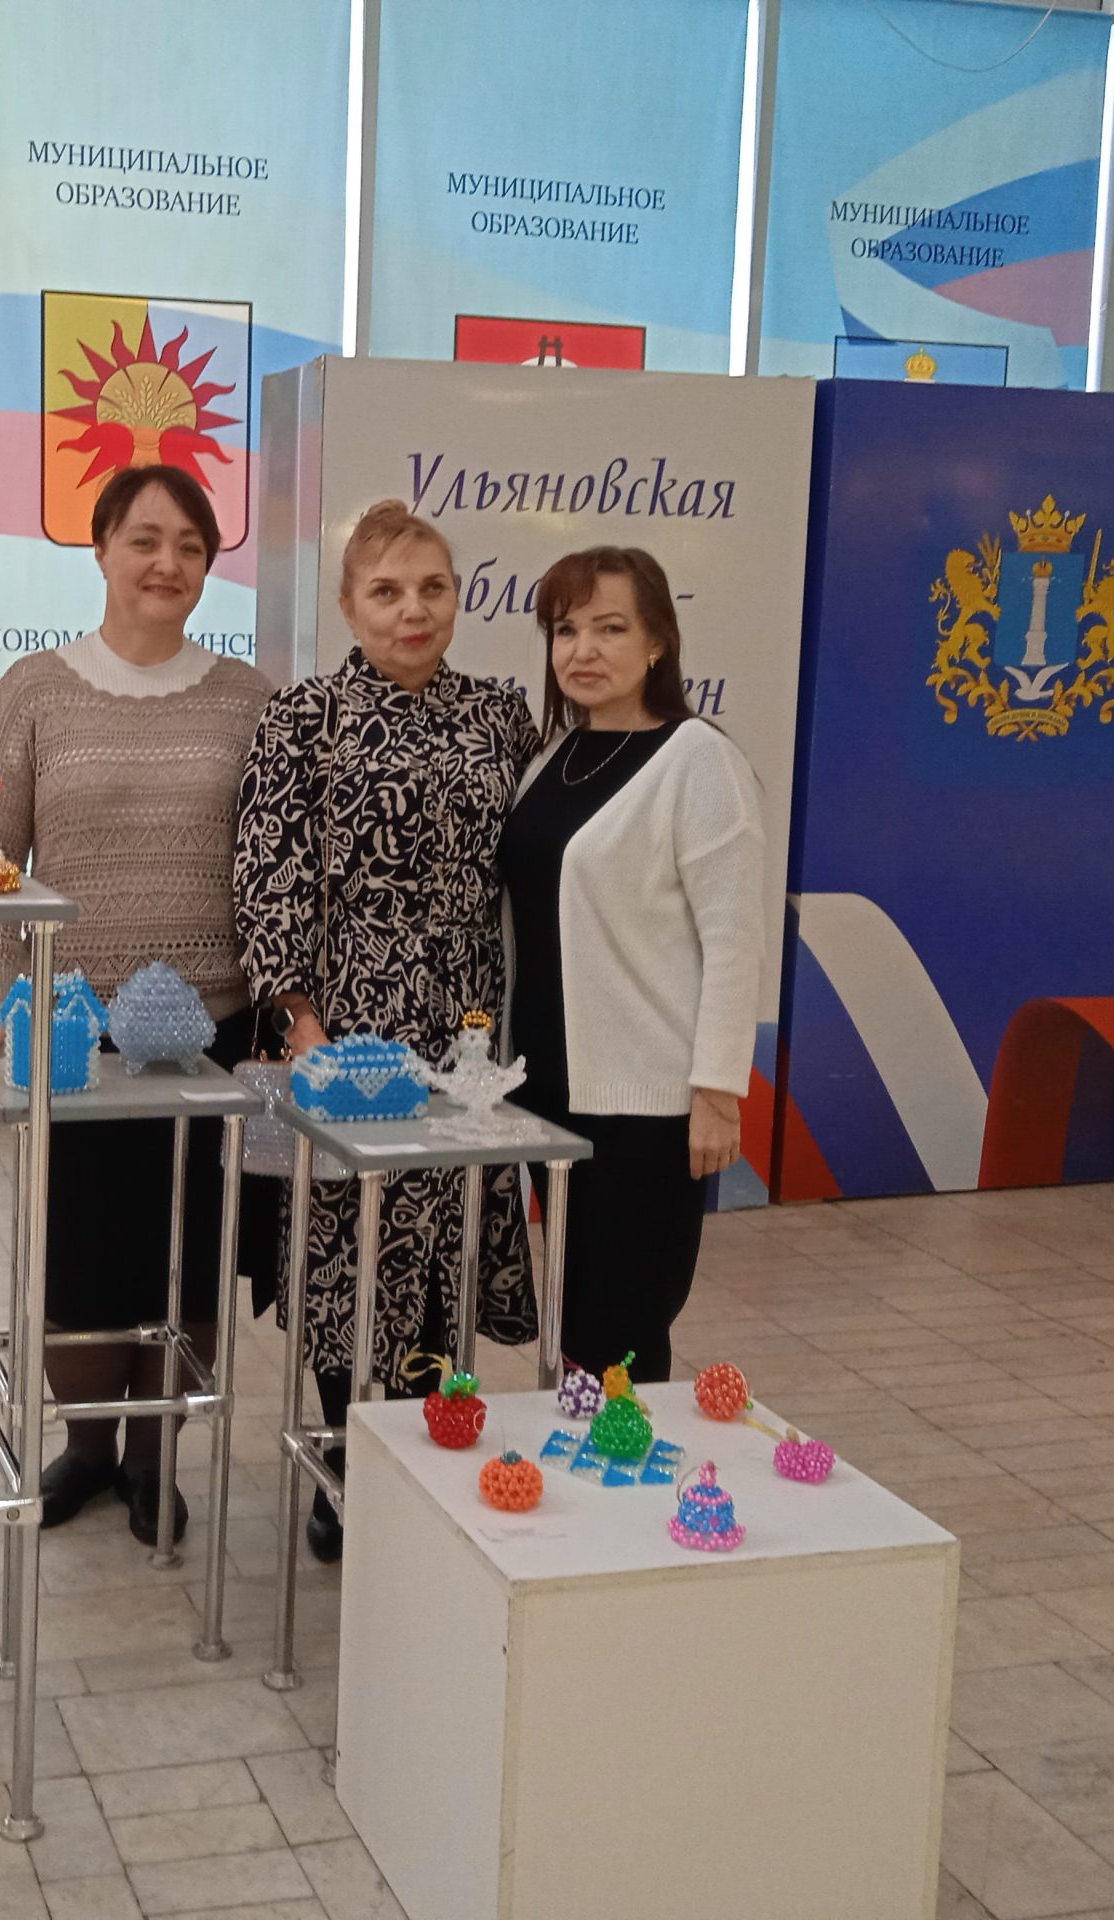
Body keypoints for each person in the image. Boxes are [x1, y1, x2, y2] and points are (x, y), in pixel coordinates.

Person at [0, 462, 283, 1545]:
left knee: (190, 1255)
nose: (166, 563)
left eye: (190, 545)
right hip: (71, 1038)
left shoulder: (250, 701)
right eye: (144, 539)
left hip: (217, 1039)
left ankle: (154, 1460)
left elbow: (278, 868)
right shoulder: (31, 694)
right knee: (83, 1261)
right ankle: (89, 1449)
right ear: (99, 549)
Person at [233, 500, 539, 1562]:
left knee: (449, 1234)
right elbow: (267, 875)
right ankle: (350, 1459)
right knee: (348, 1248)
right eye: (387, 591)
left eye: (433, 588)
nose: (413, 610)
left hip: (467, 1025)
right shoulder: (304, 716)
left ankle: (434, 1442)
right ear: (348, 606)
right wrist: (301, 1024)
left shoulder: (500, 715)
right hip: (348, 1022)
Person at [498, 546, 763, 1385]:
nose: (583, 650)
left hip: (643, 1103)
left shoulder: (696, 759)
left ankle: (625, 1456)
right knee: (572, 1312)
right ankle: (580, 1448)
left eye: (610, 629)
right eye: (565, 630)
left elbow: (733, 939)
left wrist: (716, 1093)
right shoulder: (553, 758)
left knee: (623, 1320)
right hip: (544, 1088)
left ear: (657, 643)